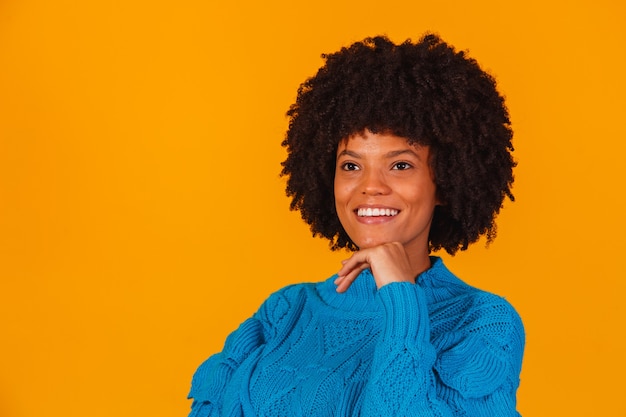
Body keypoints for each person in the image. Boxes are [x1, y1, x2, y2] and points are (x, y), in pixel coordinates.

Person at [188, 33, 525, 417]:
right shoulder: (286, 310)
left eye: (400, 165)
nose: (370, 187)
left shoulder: (482, 321)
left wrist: (401, 297)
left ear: (444, 183)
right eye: (351, 166)